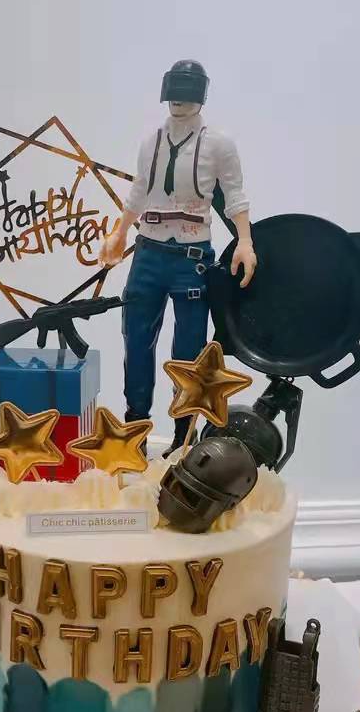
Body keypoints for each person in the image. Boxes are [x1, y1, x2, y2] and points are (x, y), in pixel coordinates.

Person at [99, 59, 257, 455]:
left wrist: (245, 240)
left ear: (201, 95)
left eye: (187, 93)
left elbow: (234, 194)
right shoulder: (150, 141)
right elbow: (139, 190)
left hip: (191, 256)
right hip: (148, 251)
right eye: (174, 93)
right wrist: (120, 232)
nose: (178, 102)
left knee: (189, 352)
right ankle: (135, 430)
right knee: (136, 341)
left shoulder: (218, 144)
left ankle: (182, 438)